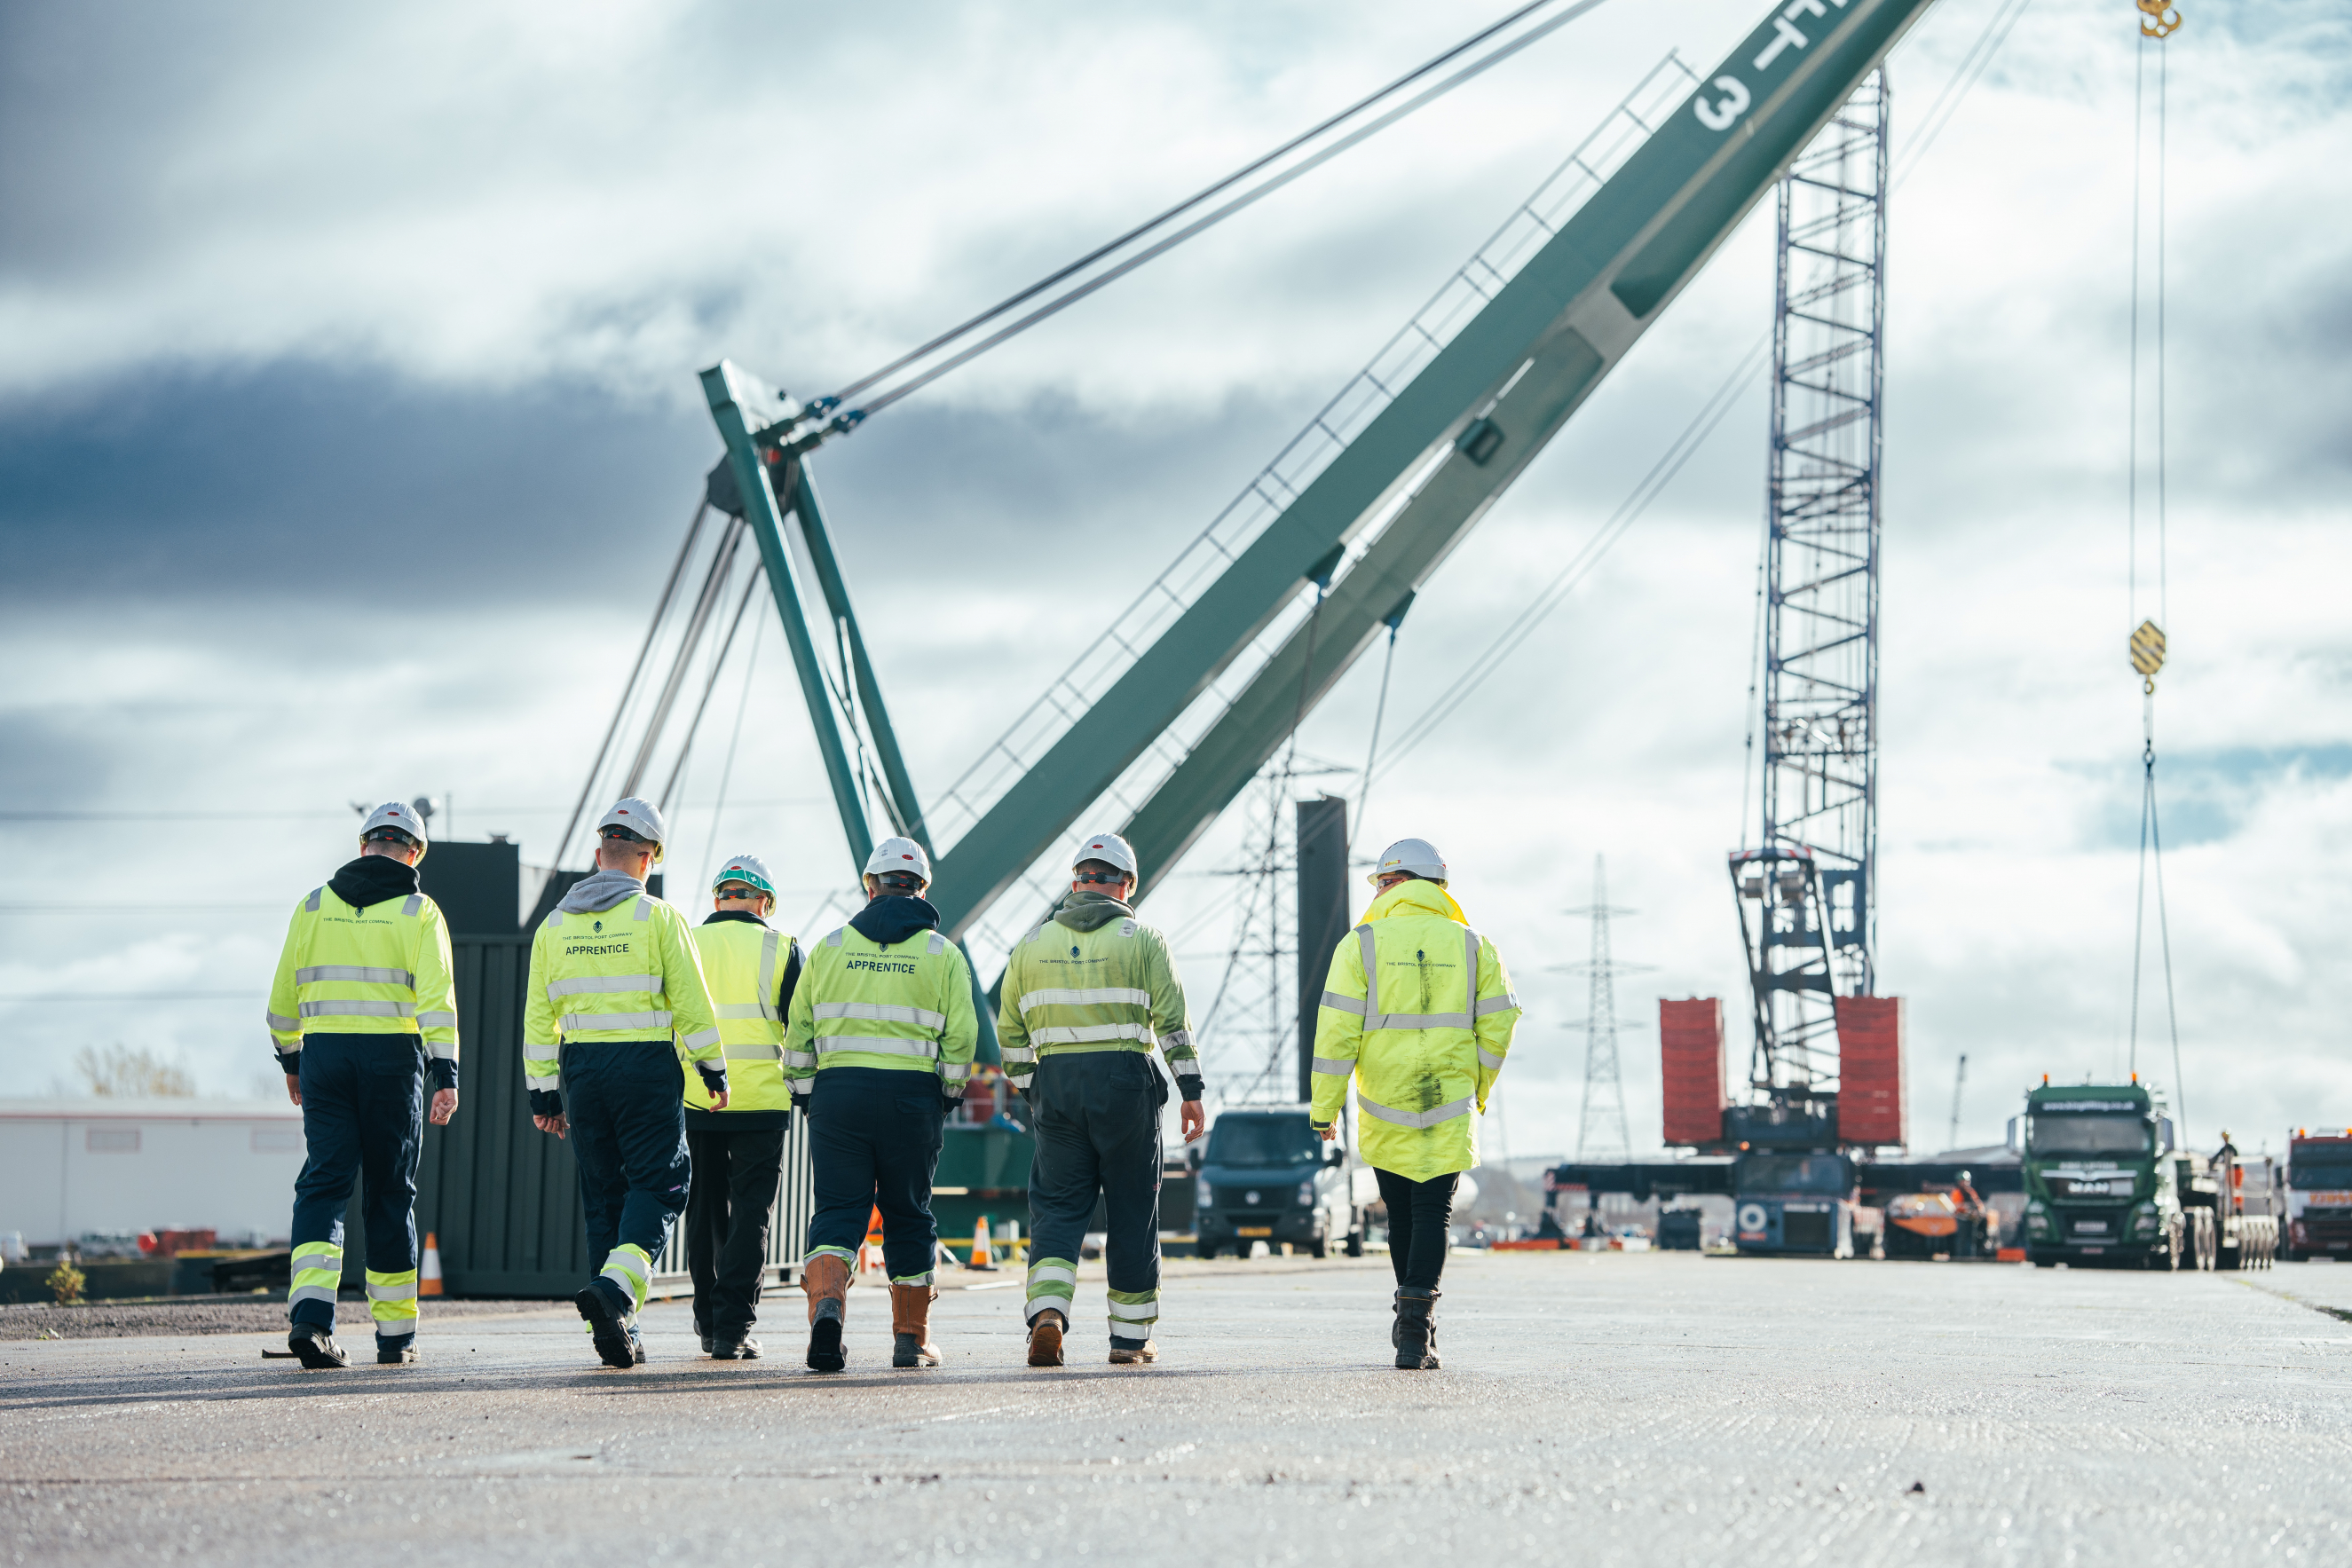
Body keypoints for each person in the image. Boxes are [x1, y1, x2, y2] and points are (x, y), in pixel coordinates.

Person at [525, 797, 725, 1369]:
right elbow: (691, 1002)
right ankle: (614, 1295)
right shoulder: (658, 919)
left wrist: (543, 1092)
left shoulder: (554, 926)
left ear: (598, 854)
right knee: (662, 1183)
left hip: (582, 1073)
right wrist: (712, 1067)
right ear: (645, 858)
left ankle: (617, 1329)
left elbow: (539, 1018)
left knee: (604, 1196)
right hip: (644, 1067)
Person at [1309, 837, 1520, 1370]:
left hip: (1384, 1100)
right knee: (1433, 1211)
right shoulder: (1474, 945)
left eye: (1380, 882)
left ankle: (1408, 1324)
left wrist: (1325, 1108)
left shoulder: (1360, 944)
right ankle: (1416, 1329)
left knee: (1401, 1212)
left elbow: (1336, 1034)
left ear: (1393, 884)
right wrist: (1480, 1085)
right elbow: (1500, 1023)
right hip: (1449, 1099)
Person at [998, 831, 1204, 1368]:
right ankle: (1130, 1342)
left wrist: (1030, 1087)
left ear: (1076, 882)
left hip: (1057, 1085)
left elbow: (1010, 1033)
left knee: (1058, 1209)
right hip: (1124, 1083)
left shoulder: (1030, 945)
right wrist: (1191, 1090)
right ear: (1127, 885)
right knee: (1133, 1208)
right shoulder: (1144, 941)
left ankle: (1048, 1314)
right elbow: (1173, 1025)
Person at [264, 801, 459, 1369]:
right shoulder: (420, 912)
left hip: (324, 1056)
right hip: (392, 1062)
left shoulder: (313, 906)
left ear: (363, 844)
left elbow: (281, 1003)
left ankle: (310, 1319)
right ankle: (395, 1338)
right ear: (415, 853)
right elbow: (437, 1005)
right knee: (389, 1192)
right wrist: (445, 1075)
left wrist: (292, 1063)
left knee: (323, 1184)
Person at [782, 836, 975, 1372]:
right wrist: (948, 1092)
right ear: (920, 889)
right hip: (911, 1098)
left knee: (839, 1210)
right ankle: (911, 1341)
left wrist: (803, 1089)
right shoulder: (942, 954)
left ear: (870, 885)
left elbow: (798, 1029)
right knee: (908, 1214)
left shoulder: (830, 947)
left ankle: (827, 1307)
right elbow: (962, 1036)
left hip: (838, 1097)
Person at [684, 853, 802, 1360]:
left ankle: (708, 1324)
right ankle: (733, 1329)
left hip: (698, 1097)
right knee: (750, 1214)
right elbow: (801, 1029)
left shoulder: (686, 941)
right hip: (761, 1099)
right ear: (766, 902)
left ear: (718, 898)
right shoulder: (782, 948)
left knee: (704, 1209)